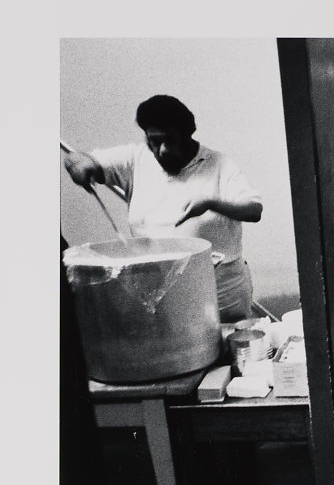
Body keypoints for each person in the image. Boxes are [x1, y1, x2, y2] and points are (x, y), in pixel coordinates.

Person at [63, 95, 263, 321]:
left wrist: (211, 201)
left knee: (232, 349)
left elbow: (253, 209)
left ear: (187, 134)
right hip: (158, 291)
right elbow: (77, 158)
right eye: (155, 141)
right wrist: (80, 166)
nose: (163, 150)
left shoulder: (218, 164)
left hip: (221, 291)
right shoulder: (134, 159)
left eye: (171, 140)